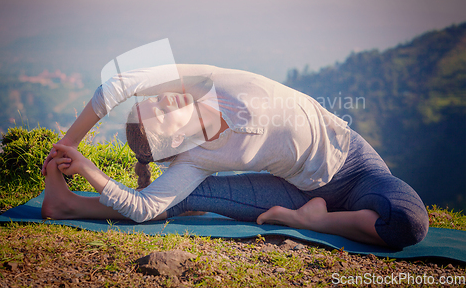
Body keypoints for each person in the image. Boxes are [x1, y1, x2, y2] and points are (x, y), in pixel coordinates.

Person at [41, 64, 429, 249]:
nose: (162, 97)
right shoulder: (192, 160)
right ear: (172, 137)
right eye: (159, 110)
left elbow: (120, 81)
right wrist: (90, 173)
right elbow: (144, 207)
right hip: (292, 189)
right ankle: (66, 205)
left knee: (409, 223)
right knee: (181, 200)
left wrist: (70, 144)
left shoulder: (207, 82)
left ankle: (315, 221)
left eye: (154, 100)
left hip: (355, 167)